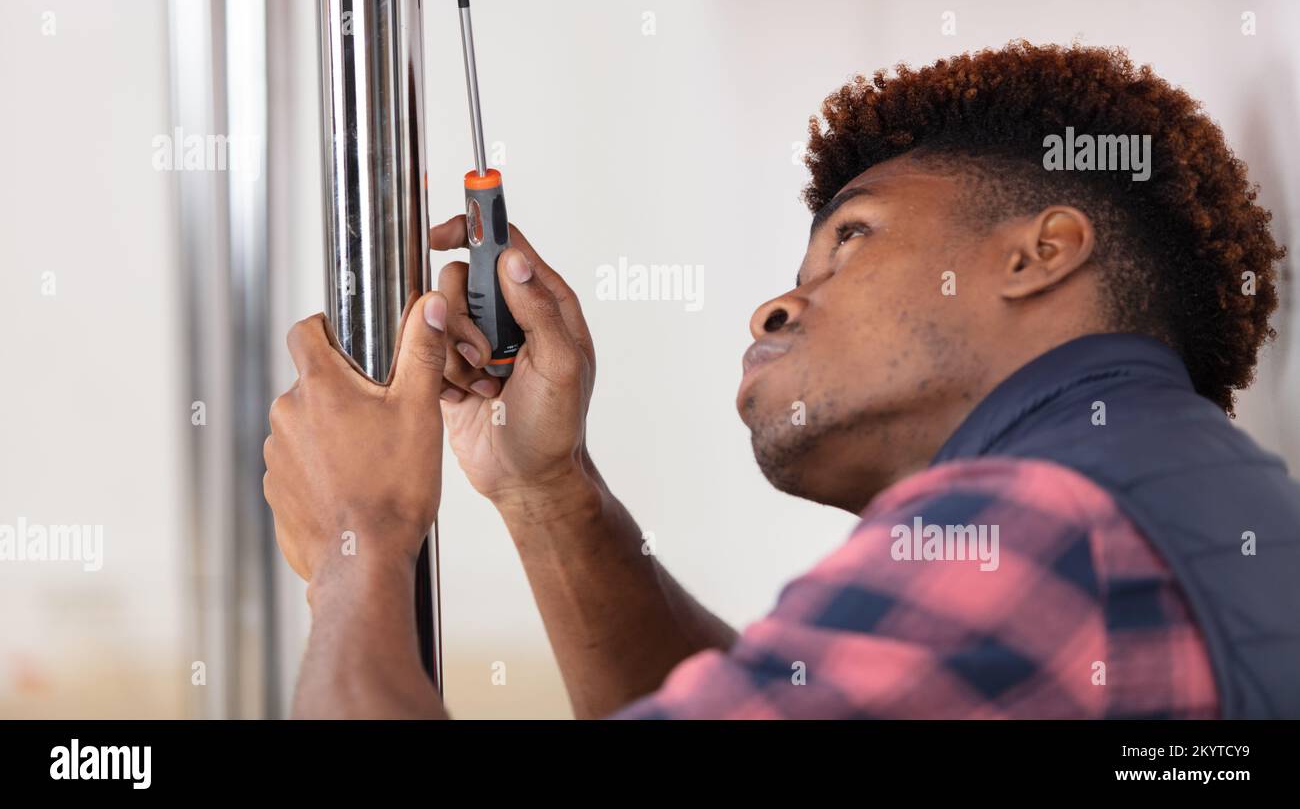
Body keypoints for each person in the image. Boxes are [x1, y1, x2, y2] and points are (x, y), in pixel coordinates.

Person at [262, 41, 1300, 719]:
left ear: (1038, 254)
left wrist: (360, 542)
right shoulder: (1164, 495)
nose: (771, 309)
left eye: (851, 240)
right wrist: (544, 488)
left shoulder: (1036, 532)